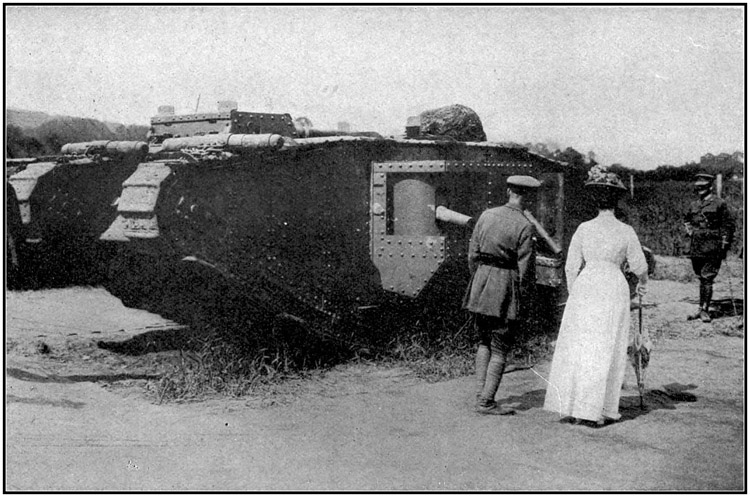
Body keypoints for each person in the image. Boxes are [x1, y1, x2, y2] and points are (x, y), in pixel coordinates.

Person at [543, 165, 648, 426]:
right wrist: (642, 284)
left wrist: (575, 291)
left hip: (587, 285)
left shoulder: (584, 228)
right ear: (616, 201)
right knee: (606, 344)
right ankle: (597, 410)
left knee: (581, 343)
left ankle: (573, 406)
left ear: (595, 200)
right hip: (612, 285)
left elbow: (570, 266)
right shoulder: (625, 231)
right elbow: (640, 266)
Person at [463, 175, 541, 415]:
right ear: (529, 198)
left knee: (483, 341)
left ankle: (480, 394)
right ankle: (486, 402)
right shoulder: (525, 226)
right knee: (500, 346)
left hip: (481, 282)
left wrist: (480, 280)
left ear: (509, 191)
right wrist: (522, 296)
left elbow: (472, 255)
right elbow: (525, 270)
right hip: (505, 286)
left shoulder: (486, 215)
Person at [683, 173, 735, 323]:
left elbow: (728, 225)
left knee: (707, 277)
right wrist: (690, 230)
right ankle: (700, 308)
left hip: (713, 245)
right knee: (700, 276)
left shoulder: (719, 203)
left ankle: (704, 310)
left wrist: (724, 244)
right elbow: (686, 219)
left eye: (703, 187)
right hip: (696, 245)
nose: (700, 190)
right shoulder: (694, 204)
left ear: (710, 187)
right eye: (698, 187)